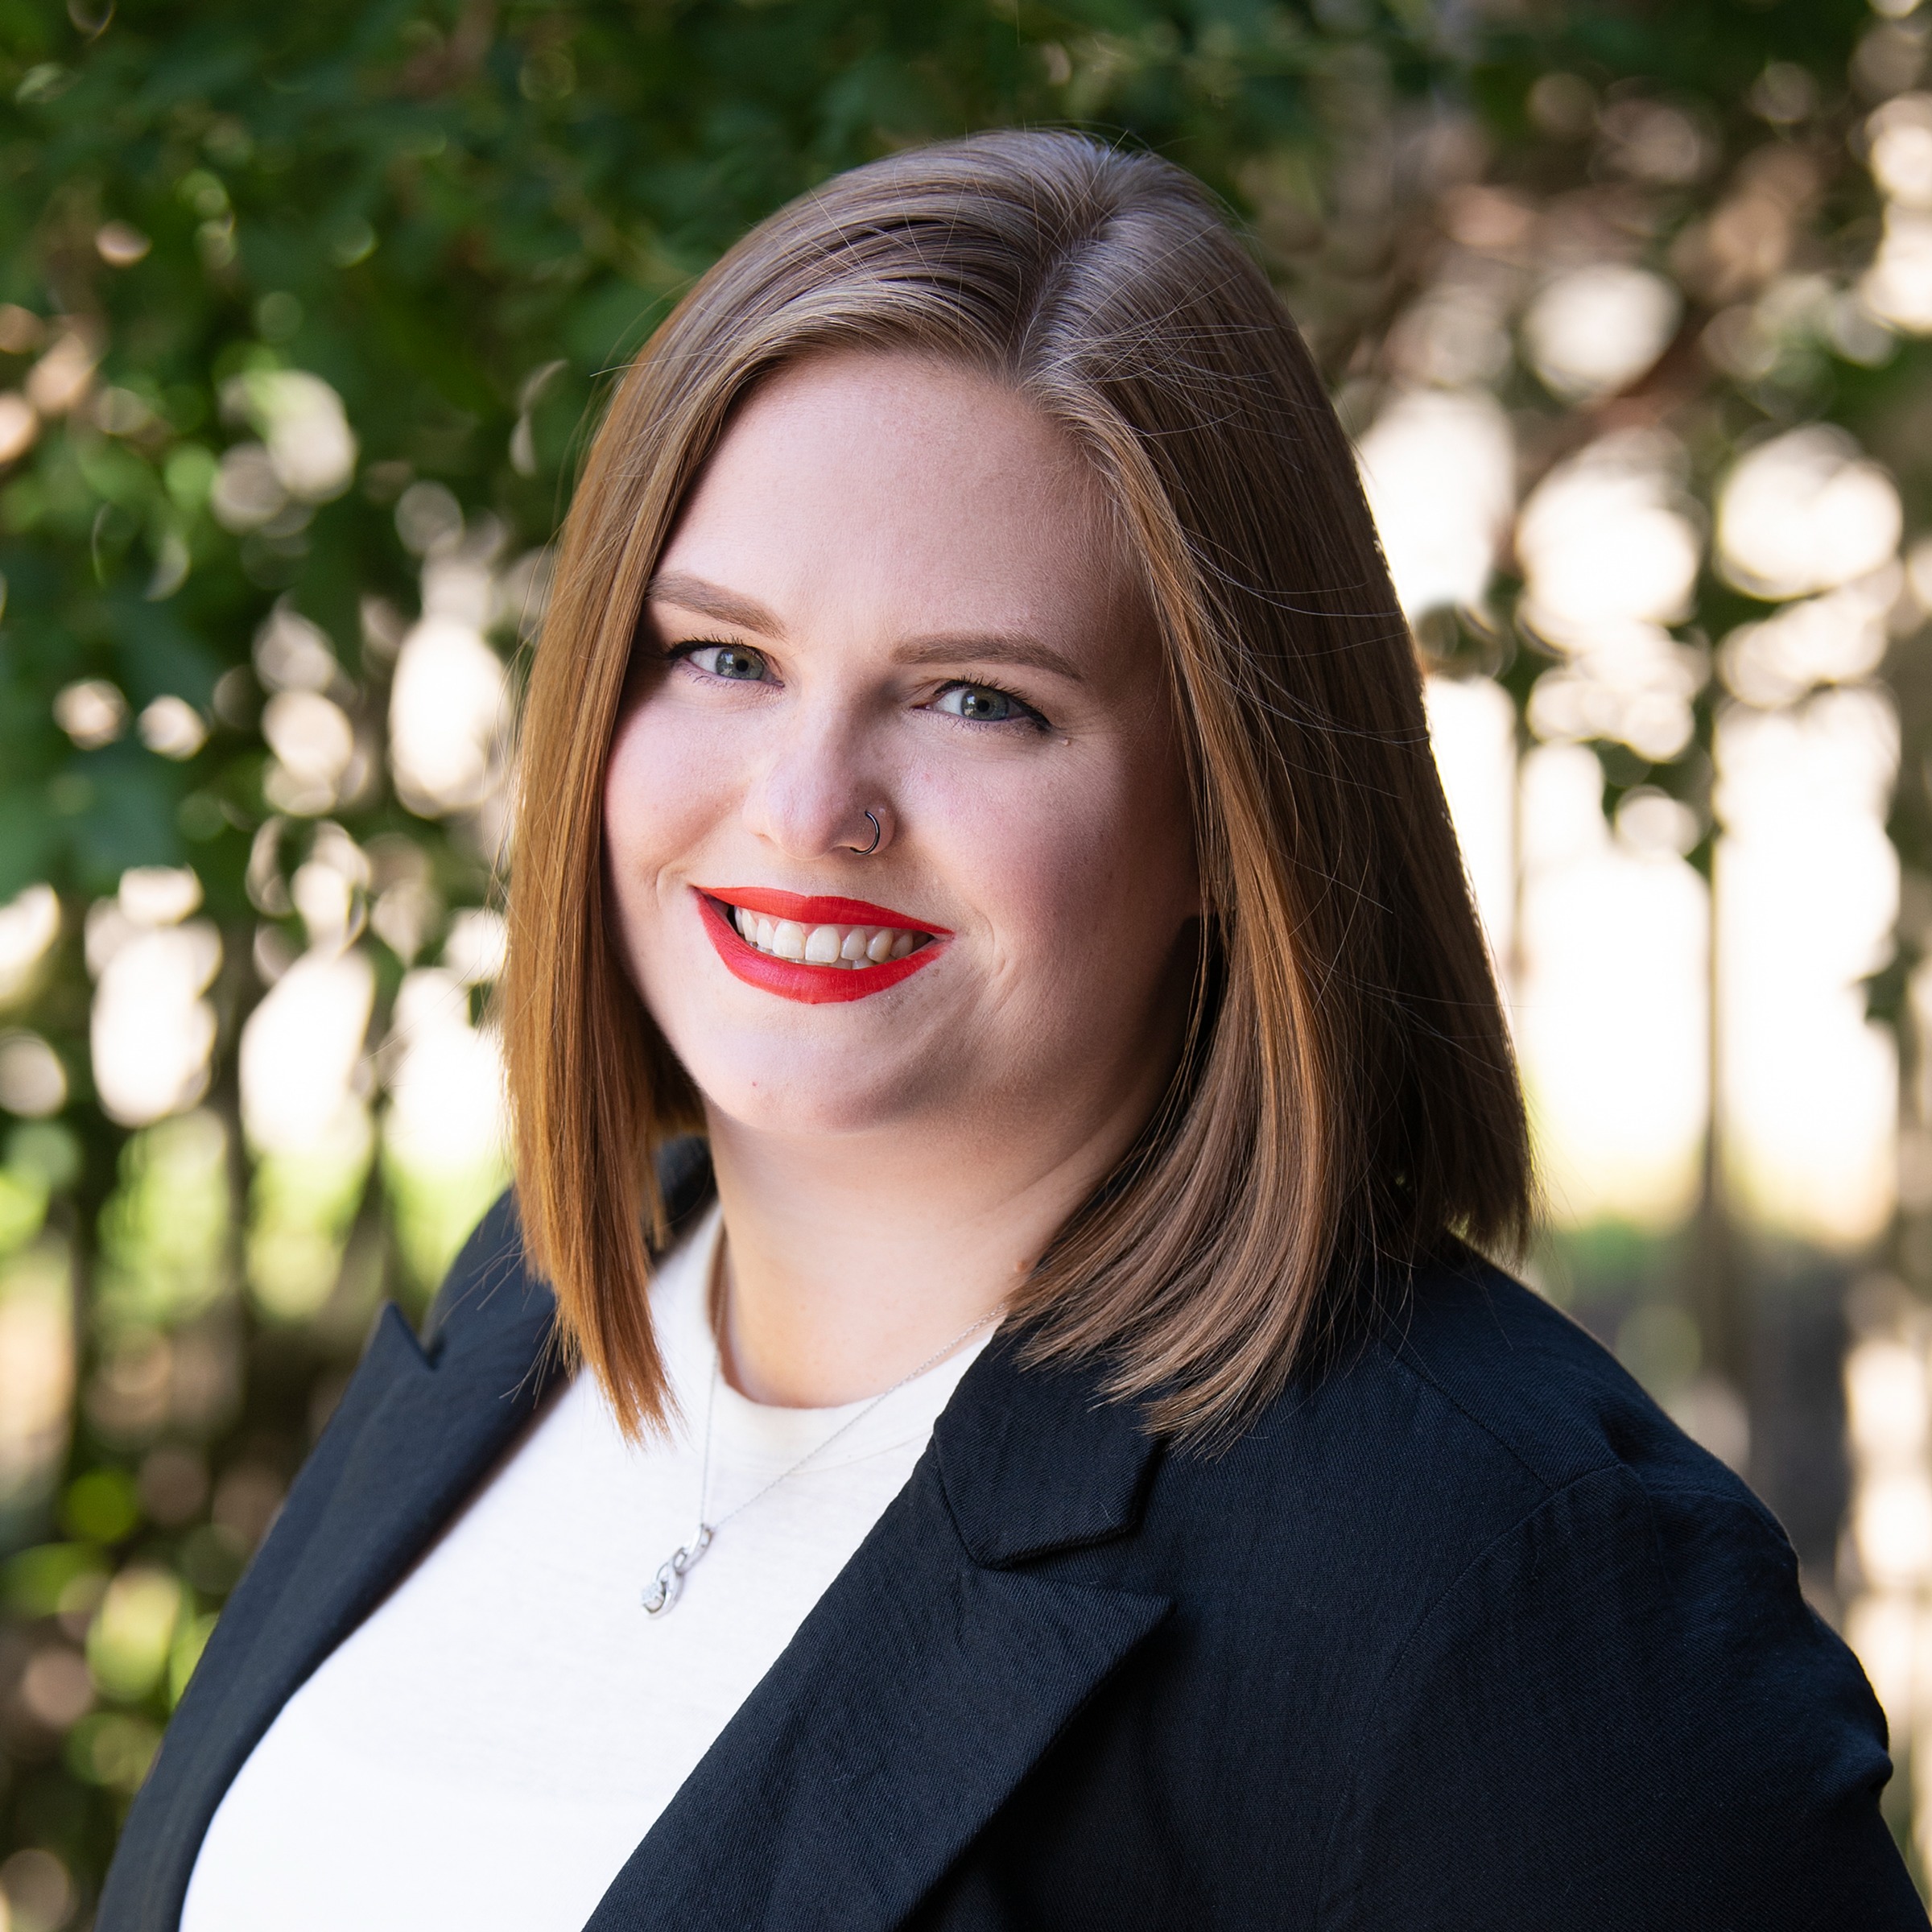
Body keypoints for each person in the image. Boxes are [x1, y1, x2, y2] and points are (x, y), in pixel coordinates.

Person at [102, 130, 1922, 1931]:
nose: (808, 806)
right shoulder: (535, 1311)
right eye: (723, 657)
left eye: (983, 700)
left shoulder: (1494, 1583)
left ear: (1234, 811)